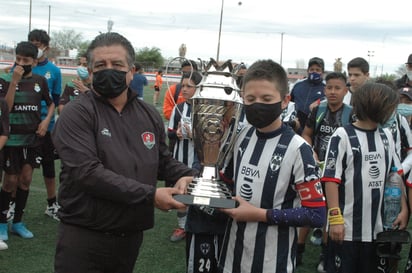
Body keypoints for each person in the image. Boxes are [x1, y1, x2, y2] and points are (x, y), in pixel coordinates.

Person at [52, 32, 196, 273]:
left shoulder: (148, 113)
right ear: (90, 71)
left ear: (131, 71)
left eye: (117, 65)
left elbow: (161, 160)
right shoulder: (77, 113)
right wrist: (150, 195)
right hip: (85, 235)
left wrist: (187, 175)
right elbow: (88, 173)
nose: (109, 70)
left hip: (130, 234)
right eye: (101, 65)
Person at [217, 59, 326, 273]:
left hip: (272, 263)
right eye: (250, 98)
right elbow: (229, 182)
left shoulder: (299, 149)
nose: (257, 104)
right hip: (232, 257)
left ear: (285, 101)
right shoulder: (242, 136)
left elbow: (316, 215)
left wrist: (259, 214)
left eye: (266, 98)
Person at [322, 83, 409, 273]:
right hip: (347, 230)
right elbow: (330, 180)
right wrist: (335, 219)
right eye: (390, 108)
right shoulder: (342, 135)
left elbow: (395, 175)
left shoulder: (386, 136)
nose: (392, 113)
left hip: (378, 230)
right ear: (376, 106)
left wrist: (403, 208)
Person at [0, 41, 55, 240]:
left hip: (32, 140)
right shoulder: (5, 79)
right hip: (12, 140)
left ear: (34, 61)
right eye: (18, 59)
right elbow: (5, 108)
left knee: (25, 180)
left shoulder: (40, 81)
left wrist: (45, 121)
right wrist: (14, 82)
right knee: (10, 181)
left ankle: (18, 222)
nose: (21, 63)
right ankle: (2, 223)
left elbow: (50, 104)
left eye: (25, 60)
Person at [298, 72, 352, 272]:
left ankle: (324, 254)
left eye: (337, 88)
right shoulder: (318, 110)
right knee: (309, 206)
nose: (332, 92)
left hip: (338, 173)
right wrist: (310, 150)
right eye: (329, 87)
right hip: (316, 166)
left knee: (331, 211)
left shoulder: (351, 113)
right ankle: (299, 250)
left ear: (345, 91)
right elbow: (307, 134)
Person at [28, 29, 62, 221]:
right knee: (19, 169)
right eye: (31, 43)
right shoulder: (20, 67)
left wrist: (47, 120)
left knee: (48, 167)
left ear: (45, 47)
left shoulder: (54, 71)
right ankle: (12, 204)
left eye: (38, 44)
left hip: (46, 126)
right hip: (22, 125)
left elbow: (55, 101)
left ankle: (51, 204)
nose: (35, 47)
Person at [167, 71, 202, 243]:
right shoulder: (179, 108)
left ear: (199, 88)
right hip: (181, 157)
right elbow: (170, 132)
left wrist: (197, 135)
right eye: (183, 86)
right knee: (181, 192)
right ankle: (182, 226)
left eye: (189, 86)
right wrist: (177, 134)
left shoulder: (206, 107)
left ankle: (196, 223)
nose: (185, 89)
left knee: (199, 191)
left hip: (200, 158)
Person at [290, 57, 326, 134]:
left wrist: (319, 102)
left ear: (322, 72)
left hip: (313, 128)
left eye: (317, 70)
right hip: (295, 126)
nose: (314, 72)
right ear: (307, 70)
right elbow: (290, 102)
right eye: (312, 69)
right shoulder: (298, 84)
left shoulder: (326, 88)